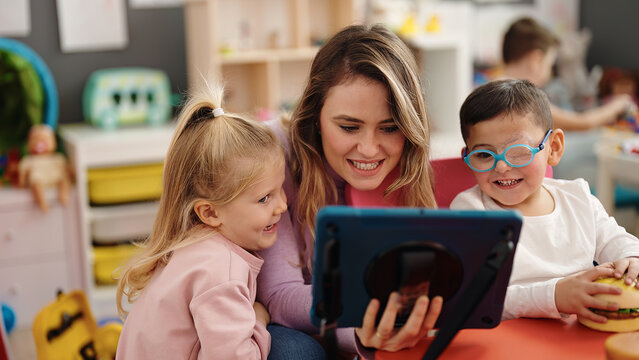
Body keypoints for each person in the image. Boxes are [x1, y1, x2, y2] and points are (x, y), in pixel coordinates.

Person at [257, 24, 443, 359]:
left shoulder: (408, 159)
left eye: (389, 128)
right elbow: (280, 296)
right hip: (279, 328)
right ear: (315, 116)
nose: (370, 149)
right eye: (348, 127)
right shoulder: (272, 153)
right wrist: (361, 322)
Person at [115, 83, 288, 359]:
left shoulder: (193, 246)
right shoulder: (222, 272)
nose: (283, 205)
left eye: (281, 190)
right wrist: (258, 319)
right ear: (209, 213)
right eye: (265, 198)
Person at [450, 78, 639, 323]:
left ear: (554, 147)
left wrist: (631, 258)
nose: (502, 166)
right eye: (484, 155)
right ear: (468, 156)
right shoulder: (470, 211)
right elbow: (474, 299)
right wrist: (554, 296)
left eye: (519, 151)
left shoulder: (577, 197)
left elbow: (617, 240)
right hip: (507, 340)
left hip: (578, 333)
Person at [501, 17, 633, 131]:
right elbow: (582, 123)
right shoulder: (520, 96)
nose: (550, 72)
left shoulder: (492, 87)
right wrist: (616, 106)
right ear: (536, 59)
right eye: (550, 65)